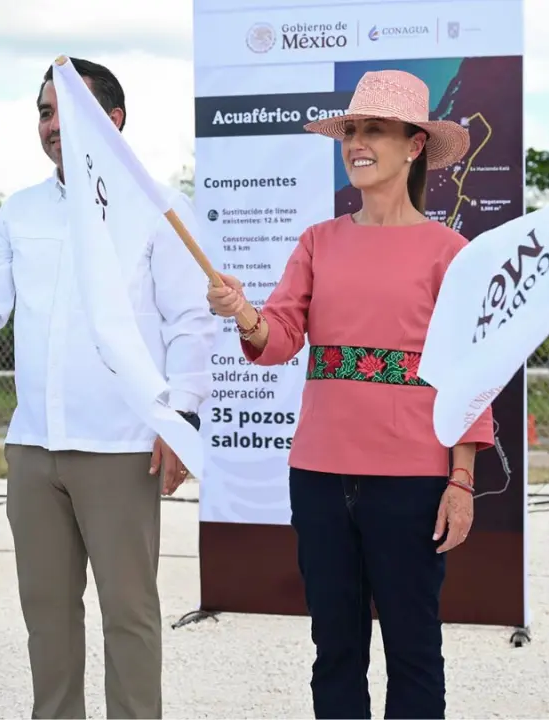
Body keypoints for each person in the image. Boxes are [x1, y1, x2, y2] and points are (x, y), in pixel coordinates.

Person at [0, 57, 215, 718]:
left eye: (67, 110)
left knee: (129, 615)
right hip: (34, 449)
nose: (52, 125)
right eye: (44, 112)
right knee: (47, 617)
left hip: (123, 447)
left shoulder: (159, 210)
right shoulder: (20, 211)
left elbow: (191, 323)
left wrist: (180, 420)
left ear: (113, 120)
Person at [206, 69, 493, 719]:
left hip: (414, 483)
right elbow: (279, 338)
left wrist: (461, 480)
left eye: (375, 131)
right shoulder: (318, 241)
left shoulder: (452, 253)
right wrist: (243, 312)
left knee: (414, 649)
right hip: (318, 477)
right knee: (334, 649)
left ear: (415, 145)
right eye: (351, 131)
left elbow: (472, 376)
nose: (357, 143)